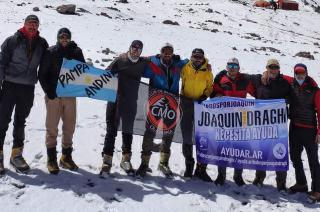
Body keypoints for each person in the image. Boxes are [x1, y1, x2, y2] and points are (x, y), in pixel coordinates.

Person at [0, 15, 48, 175]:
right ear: (25, 24)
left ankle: (16, 154)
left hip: (27, 87)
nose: (32, 26)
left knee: (21, 121)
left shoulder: (42, 44)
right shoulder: (12, 40)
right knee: (2, 120)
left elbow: (48, 65)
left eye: (35, 24)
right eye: (30, 23)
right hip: (10, 85)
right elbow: (1, 62)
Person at [135, 43, 187, 178]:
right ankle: (144, 164)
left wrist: (206, 64)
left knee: (168, 134)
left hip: (172, 105)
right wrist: (145, 59)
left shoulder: (178, 65)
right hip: (155, 105)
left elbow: (191, 62)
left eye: (170, 51)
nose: (168, 54)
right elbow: (139, 68)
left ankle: (164, 163)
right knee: (149, 133)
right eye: (165, 51)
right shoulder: (153, 64)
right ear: (161, 52)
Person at [99, 40, 149, 176]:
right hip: (115, 100)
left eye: (139, 49)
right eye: (134, 47)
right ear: (130, 47)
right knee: (111, 129)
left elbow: (156, 62)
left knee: (128, 130)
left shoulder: (142, 63)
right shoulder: (120, 60)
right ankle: (107, 160)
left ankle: (126, 159)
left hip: (131, 101)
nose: (136, 50)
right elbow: (105, 74)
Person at [38, 28, 85, 174]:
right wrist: (48, 90)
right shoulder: (50, 52)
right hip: (54, 95)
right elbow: (42, 74)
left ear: (70, 38)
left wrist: (76, 53)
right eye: (62, 37)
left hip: (70, 94)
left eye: (67, 37)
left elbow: (83, 70)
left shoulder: (75, 52)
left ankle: (66, 157)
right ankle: (51, 159)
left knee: (69, 126)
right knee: (52, 127)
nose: (64, 39)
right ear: (58, 38)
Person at [212, 57, 256, 186]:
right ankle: (221, 175)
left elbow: (256, 93)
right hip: (224, 118)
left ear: (239, 68)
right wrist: (217, 96)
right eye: (230, 66)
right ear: (227, 67)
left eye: (235, 66)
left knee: (240, 148)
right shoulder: (221, 79)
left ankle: (238, 176)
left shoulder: (245, 80)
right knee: (223, 147)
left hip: (241, 118)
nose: (232, 68)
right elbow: (213, 94)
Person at [251, 59, 291, 192]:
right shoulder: (258, 80)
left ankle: (281, 182)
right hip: (261, 124)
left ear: (279, 68)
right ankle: (259, 177)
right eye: (270, 67)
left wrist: (285, 101)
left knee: (279, 152)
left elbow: (293, 94)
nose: (273, 69)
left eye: (276, 67)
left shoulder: (285, 83)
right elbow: (240, 77)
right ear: (266, 68)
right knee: (261, 151)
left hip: (278, 126)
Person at [287, 63, 320, 201]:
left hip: (310, 130)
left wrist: (319, 132)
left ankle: (317, 190)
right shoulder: (291, 84)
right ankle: (301, 183)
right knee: (295, 157)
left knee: (313, 161)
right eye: (297, 73)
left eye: (302, 73)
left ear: (306, 73)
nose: (300, 76)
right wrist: (265, 74)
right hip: (294, 127)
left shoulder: (315, 89)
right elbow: (278, 75)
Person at [180, 48, 213, 181]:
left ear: (203, 58)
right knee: (186, 135)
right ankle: (189, 164)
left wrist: (205, 96)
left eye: (199, 57)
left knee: (202, 138)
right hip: (186, 104)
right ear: (191, 57)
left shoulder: (208, 72)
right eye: (195, 56)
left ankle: (201, 168)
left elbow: (210, 87)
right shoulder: (185, 68)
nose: (197, 59)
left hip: (200, 106)